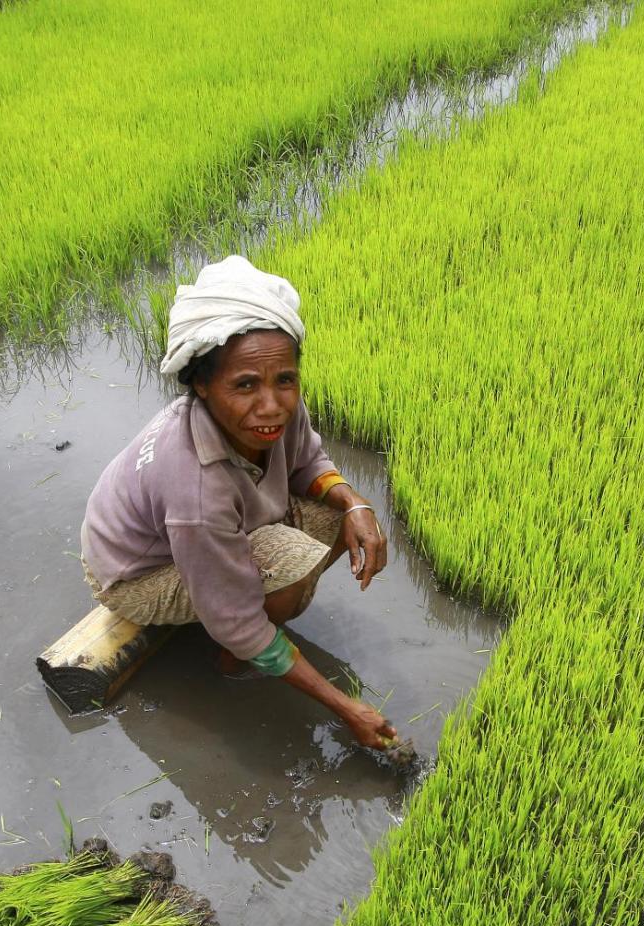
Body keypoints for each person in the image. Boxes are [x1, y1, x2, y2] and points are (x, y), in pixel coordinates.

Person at [80, 255, 404, 759]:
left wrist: (356, 502)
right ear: (201, 385)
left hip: (198, 535)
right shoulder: (196, 485)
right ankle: (235, 661)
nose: (272, 404)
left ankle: (264, 628)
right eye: (245, 385)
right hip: (136, 575)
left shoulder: (273, 410)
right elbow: (234, 612)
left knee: (339, 519)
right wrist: (347, 708)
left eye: (285, 380)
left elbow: (307, 461)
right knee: (287, 569)